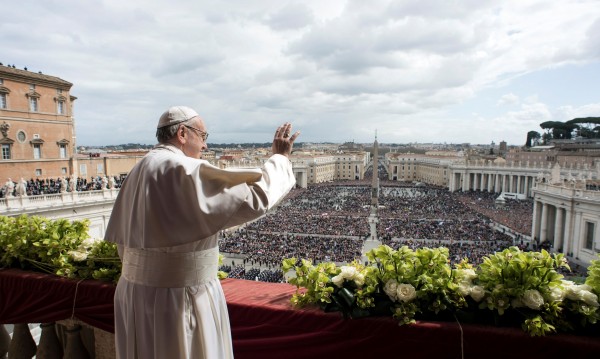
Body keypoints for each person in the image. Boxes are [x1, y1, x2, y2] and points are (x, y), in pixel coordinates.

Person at [104, 105, 299, 359]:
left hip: (134, 294)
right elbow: (255, 199)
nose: (205, 147)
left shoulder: (138, 169)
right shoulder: (182, 169)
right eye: (203, 137)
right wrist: (281, 158)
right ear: (183, 133)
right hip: (180, 297)